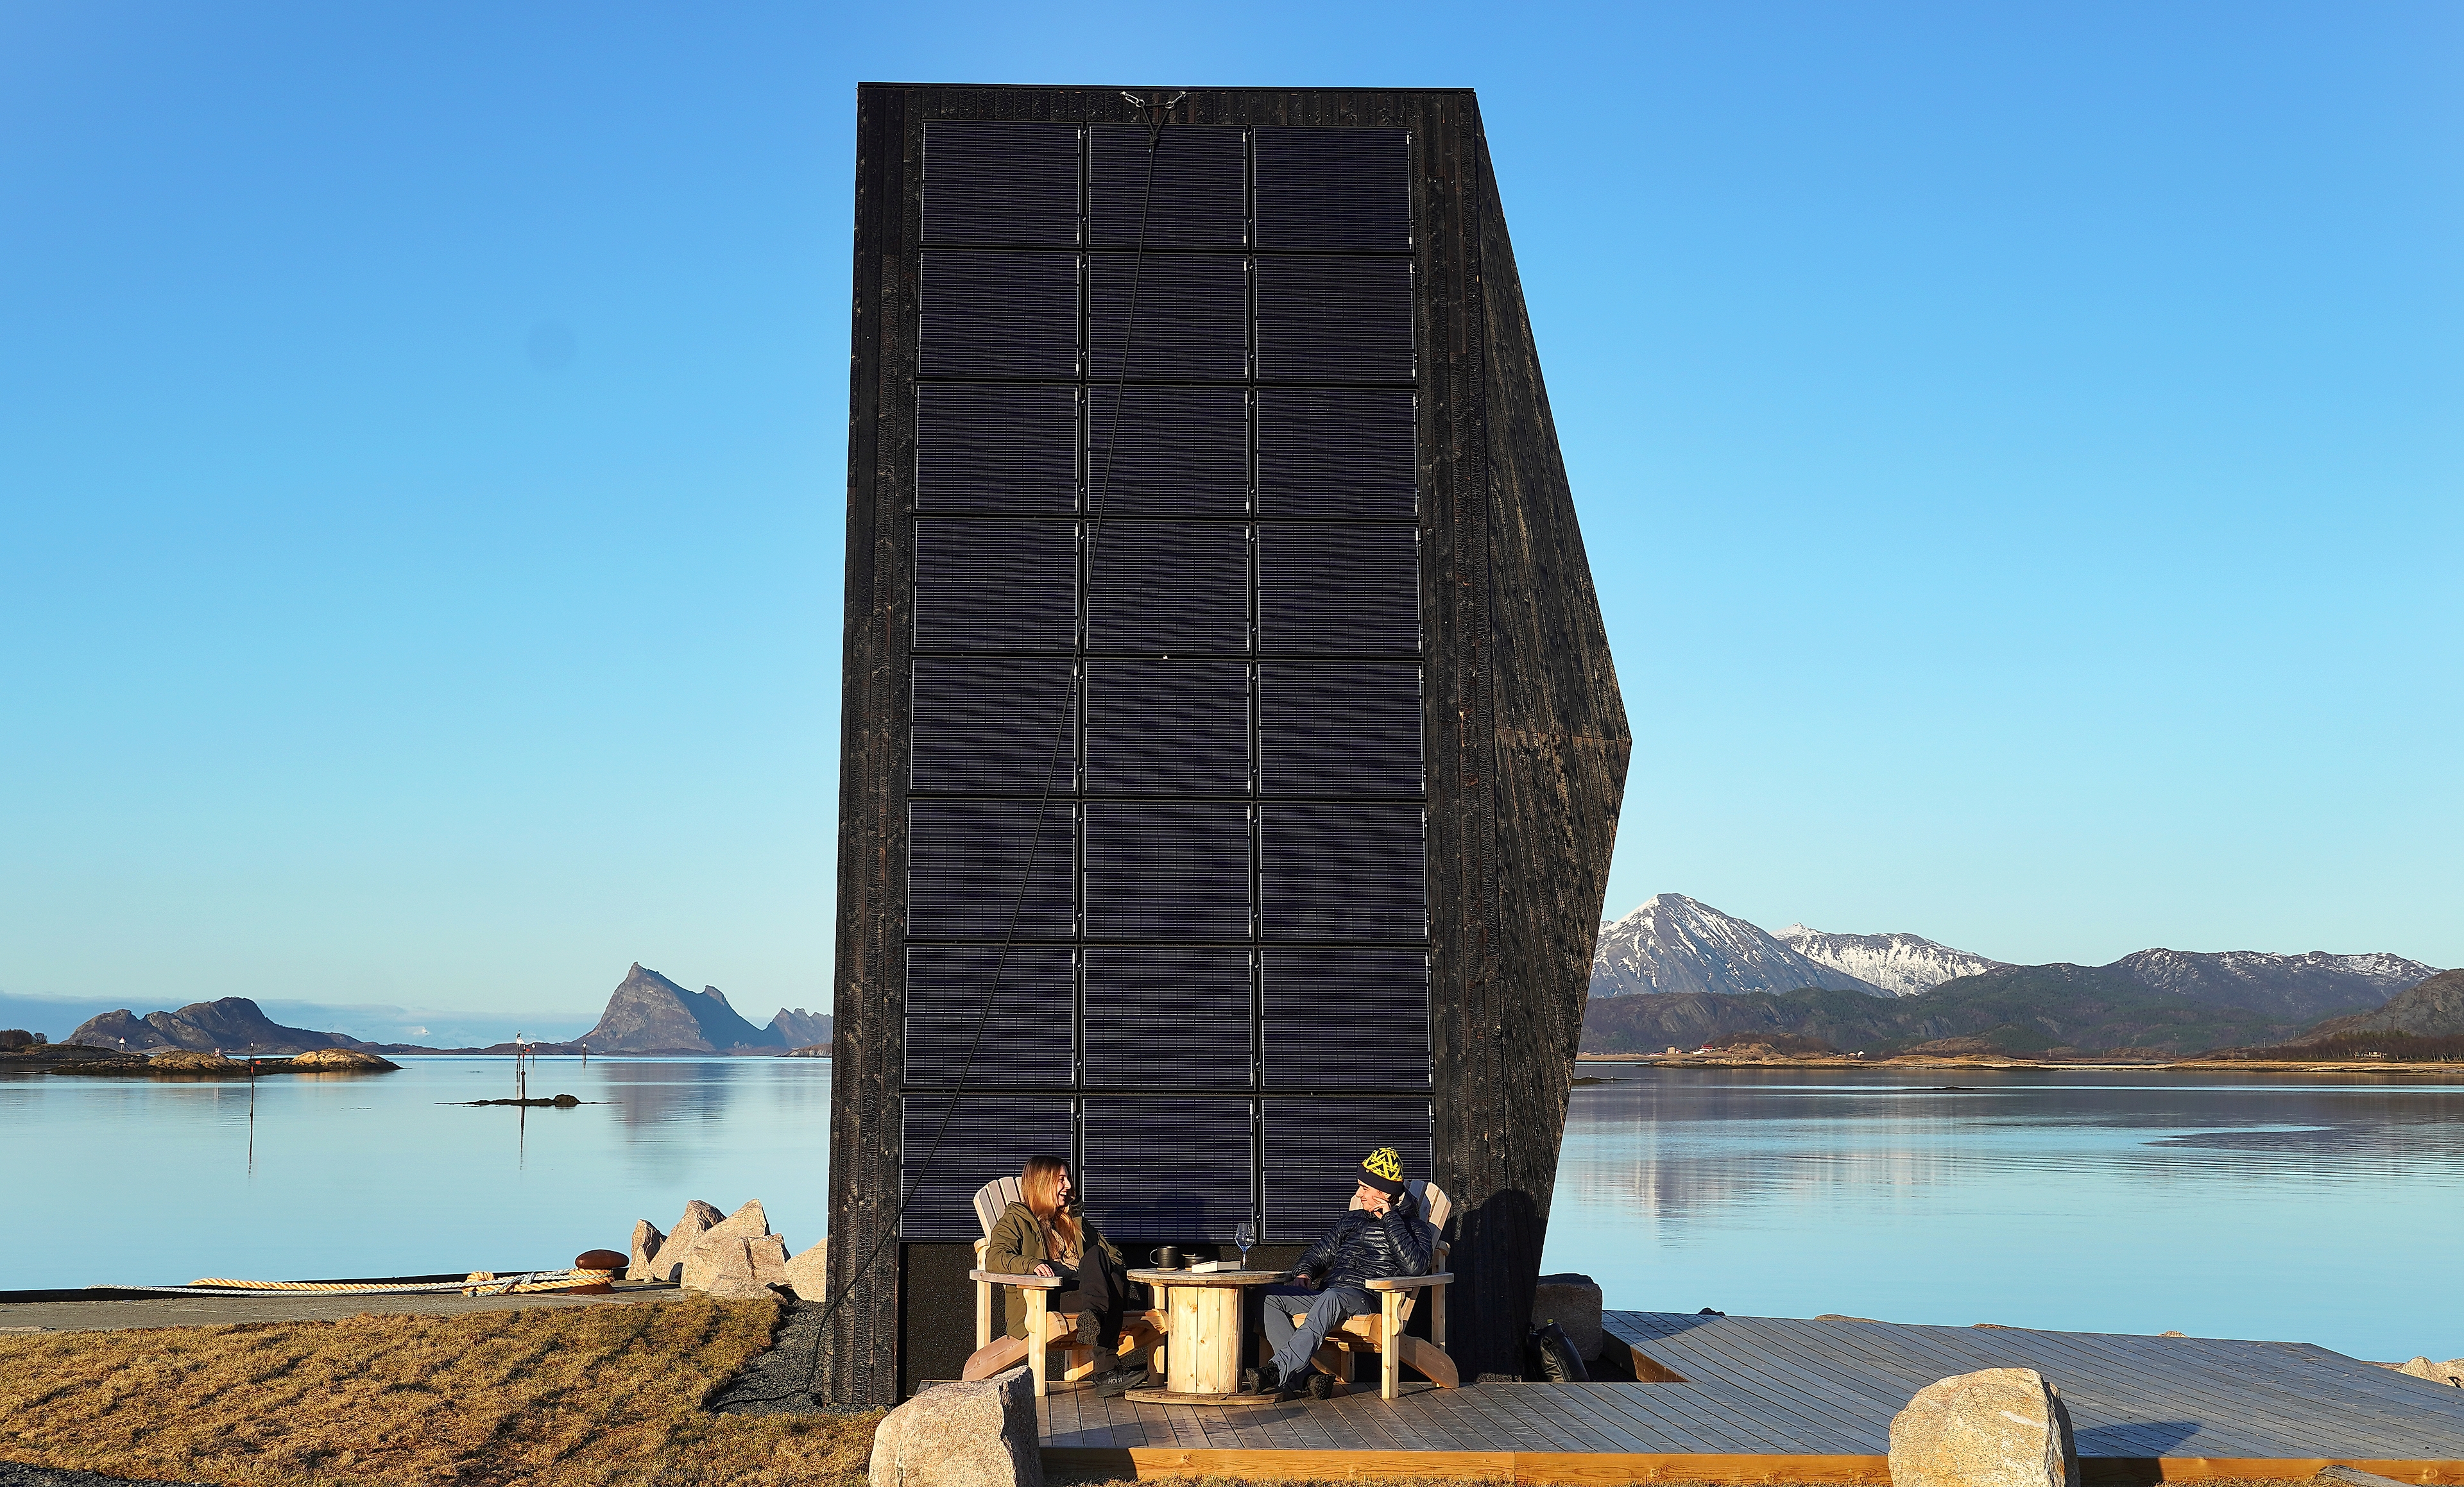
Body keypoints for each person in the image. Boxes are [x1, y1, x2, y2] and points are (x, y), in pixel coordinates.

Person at [1251, 1145, 1432, 1401]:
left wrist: (1390, 1219)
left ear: (1384, 1194)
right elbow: (1321, 1251)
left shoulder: (1415, 1228)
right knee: (1266, 1296)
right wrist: (1304, 1272)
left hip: (1367, 1299)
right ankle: (1307, 1377)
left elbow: (1415, 1266)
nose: (1359, 1194)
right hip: (1330, 1296)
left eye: (1365, 1188)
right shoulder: (1351, 1220)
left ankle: (1278, 1369)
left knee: (1333, 1297)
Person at [982, 1154, 1145, 1395]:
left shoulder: (1072, 1220)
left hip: (1087, 1294)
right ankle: (1106, 1369)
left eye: (1067, 1179)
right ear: (1042, 1183)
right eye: (1061, 1180)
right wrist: (1031, 1264)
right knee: (1102, 1271)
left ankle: (1095, 1321)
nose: (1068, 1186)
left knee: (1099, 1259)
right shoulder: (1016, 1219)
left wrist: (1100, 1269)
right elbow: (994, 1258)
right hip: (1043, 1300)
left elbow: (1115, 1257)